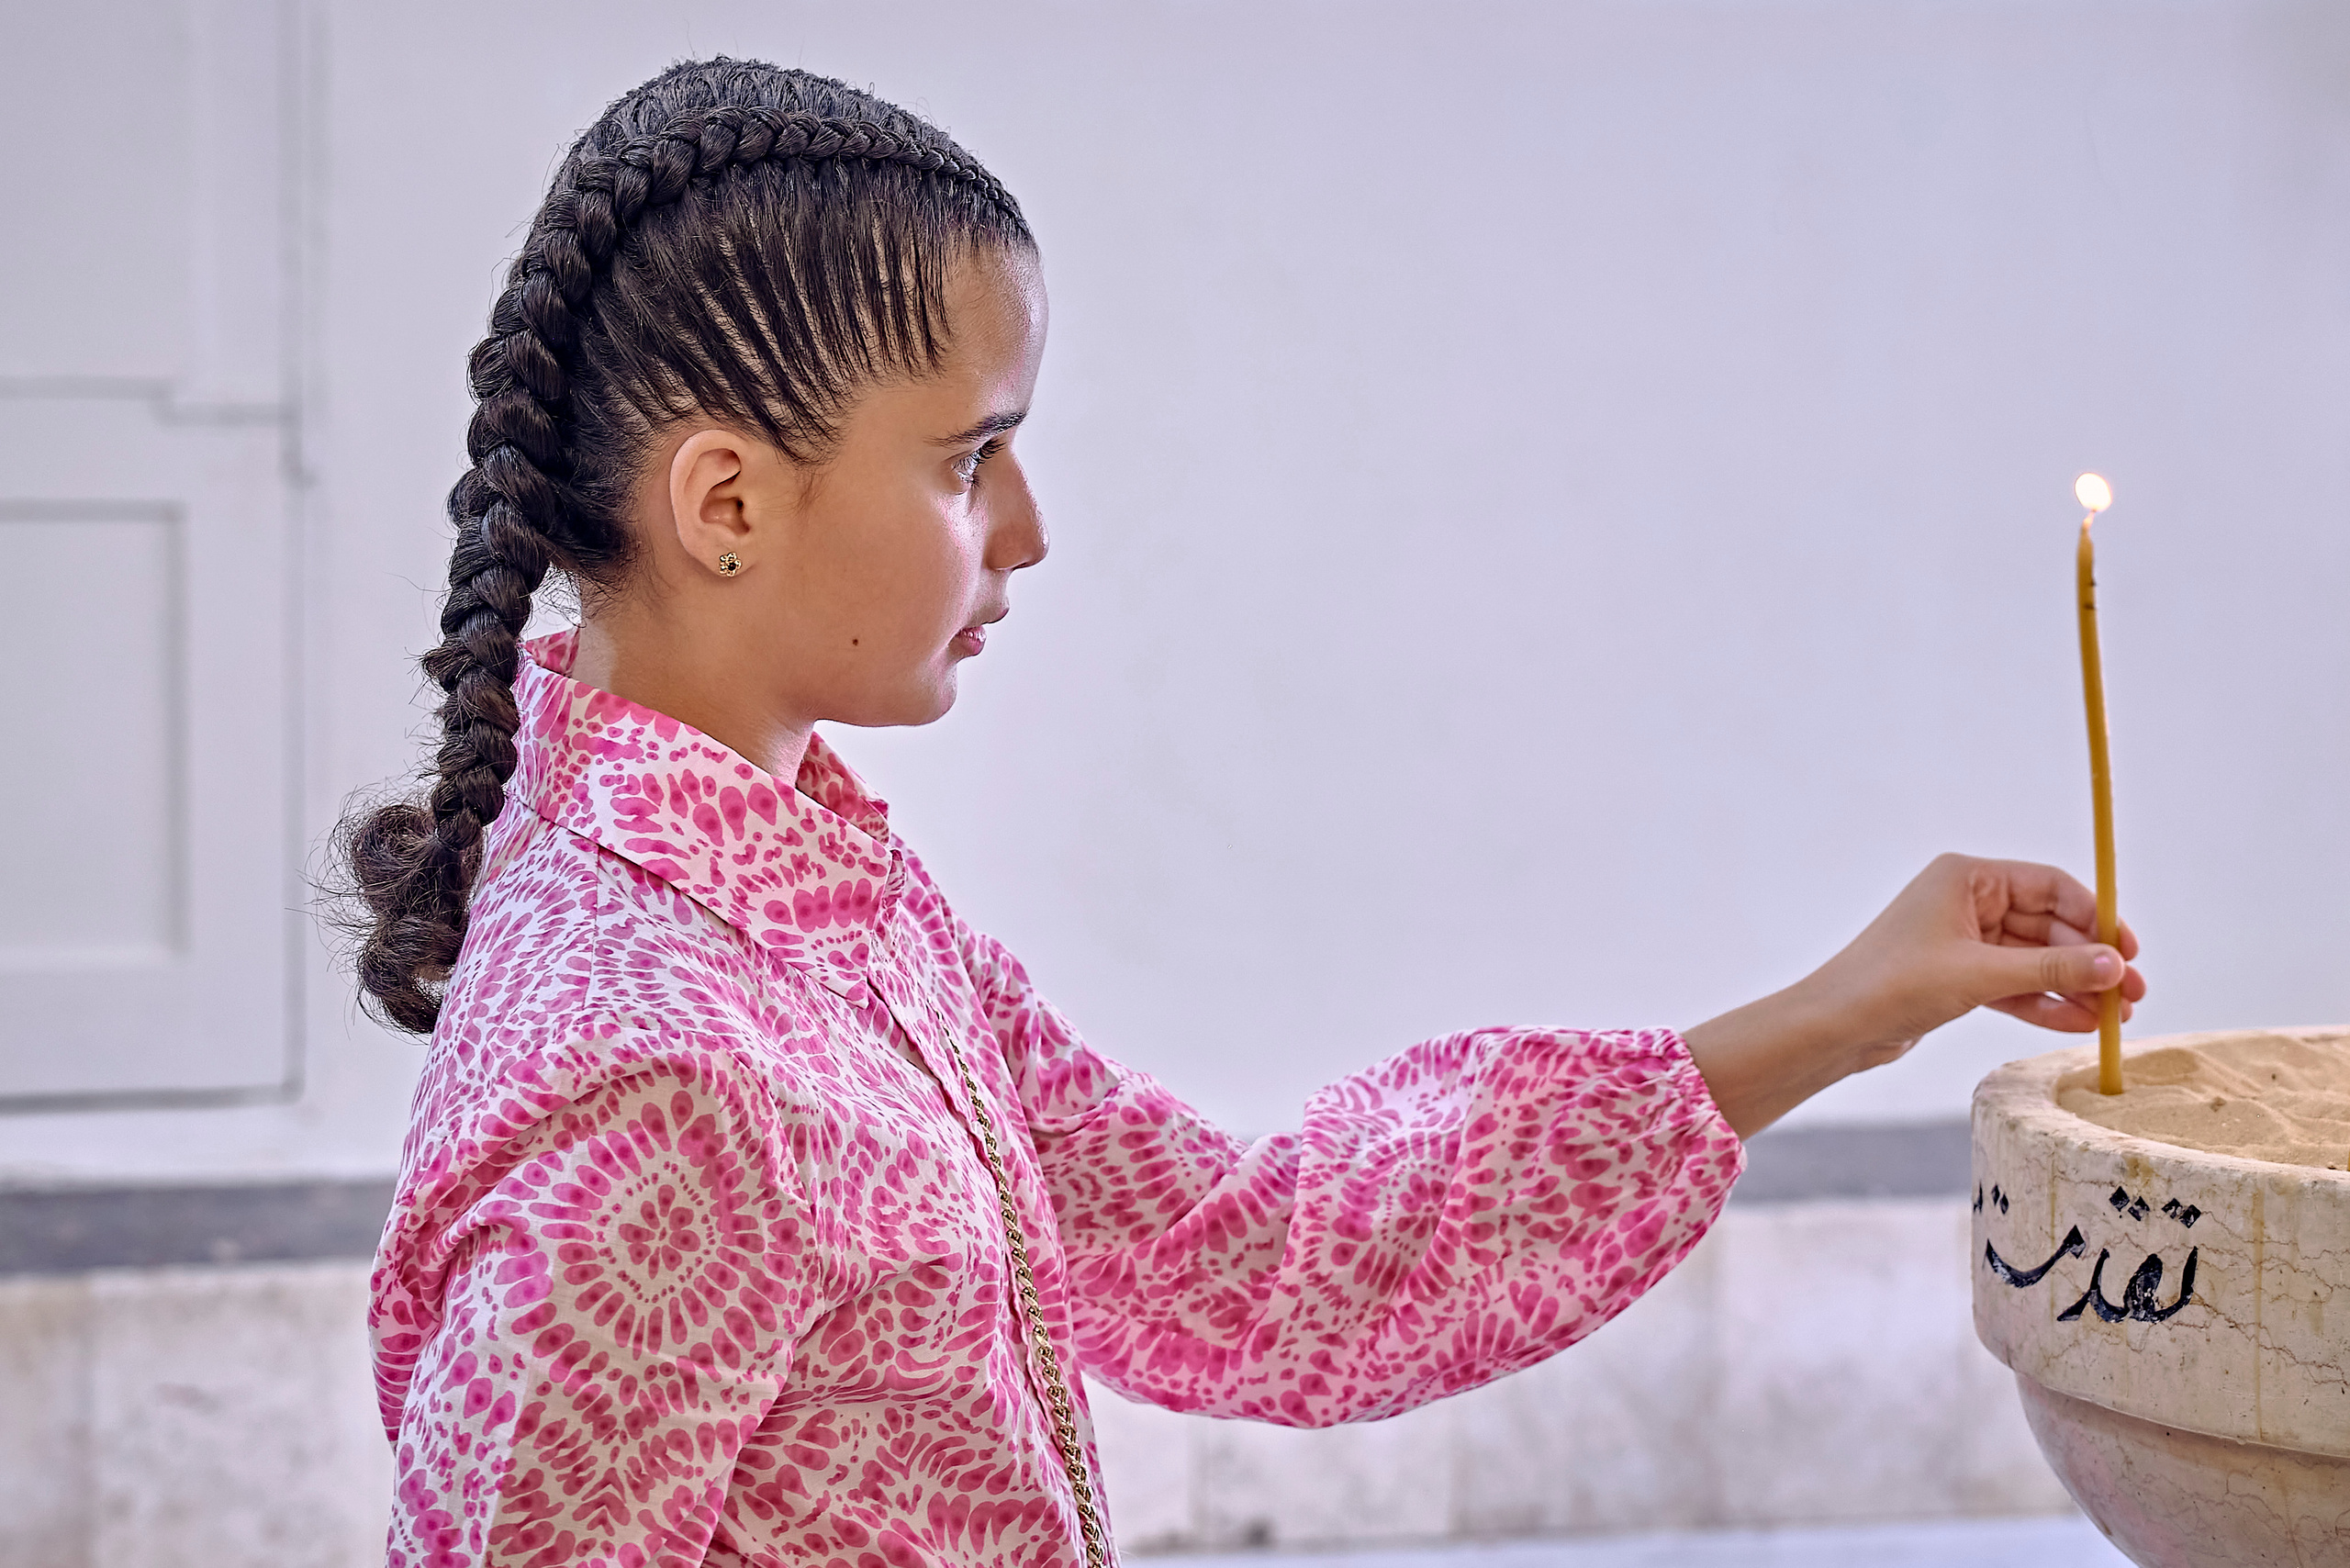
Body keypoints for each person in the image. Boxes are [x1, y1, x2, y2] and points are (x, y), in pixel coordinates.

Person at [341, 59, 2145, 1568]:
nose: (1028, 527)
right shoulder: (660, 1067)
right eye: (969, 458)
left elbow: (1252, 1260)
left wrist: (1847, 1006)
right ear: (726, 502)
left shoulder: (810, 897)